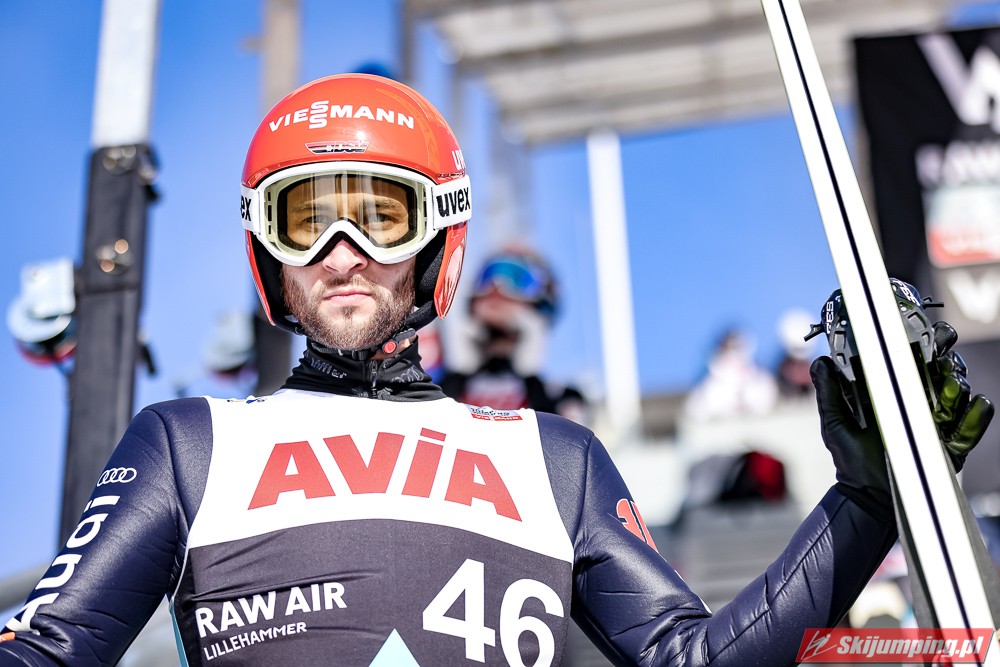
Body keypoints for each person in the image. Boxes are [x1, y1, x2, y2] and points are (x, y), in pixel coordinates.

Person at [0, 73, 993, 667]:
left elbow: (691, 660)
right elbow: (48, 646)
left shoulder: (552, 458)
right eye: (309, 219)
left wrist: (870, 499)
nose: (342, 252)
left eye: (378, 214)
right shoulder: (190, 443)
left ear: (437, 235)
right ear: (269, 247)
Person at [439, 247, 588, 423]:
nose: (496, 285)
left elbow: (559, 436)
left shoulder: (564, 398)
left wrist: (530, 377)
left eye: (517, 278)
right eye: (487, 276)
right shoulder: (430, 388)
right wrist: (457, 374)